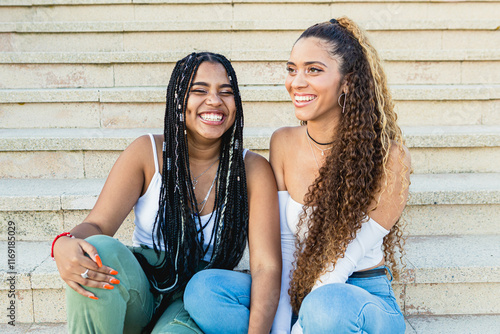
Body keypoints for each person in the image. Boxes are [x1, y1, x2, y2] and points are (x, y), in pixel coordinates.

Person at [51, 52, 281, 334]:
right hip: (145, 284)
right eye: (199, 90)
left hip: (198, 296)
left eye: (226, 92)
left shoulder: (252, 169)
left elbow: (265, 267)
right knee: (97, 251)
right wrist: (64, 242)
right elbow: (98, 224)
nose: (214, 100)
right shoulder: (146, 153)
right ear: (178, 99)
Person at [269, 17, 411, 333]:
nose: (296, 82)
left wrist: (301, 327)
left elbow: (340, 266)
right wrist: (281, 327)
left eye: (313, 70)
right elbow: (285, 251)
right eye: (292, 69)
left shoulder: (389, 157)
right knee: (208, 291)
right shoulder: (282, 143)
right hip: (300, 290)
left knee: (326, 309)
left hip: (362, 296)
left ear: (347, 81)